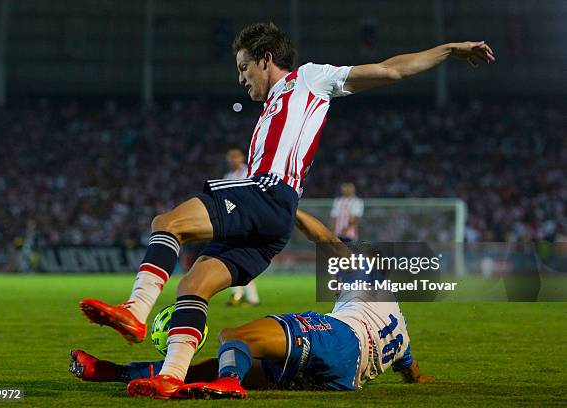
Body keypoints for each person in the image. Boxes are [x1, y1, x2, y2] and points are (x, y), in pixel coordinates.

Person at [78, 21, 494, 398]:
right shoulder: (271, 109)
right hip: (273, 221)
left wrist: (450, 49)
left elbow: (390, 69)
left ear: (266, 59)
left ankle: (135, 311)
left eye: (244, 68)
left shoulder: (310, 78)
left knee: (166, 223)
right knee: (192, 287)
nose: (241, 79)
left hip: (267, 194)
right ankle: (170, 377)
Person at [69, 209, 434, 399]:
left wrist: (284, 211)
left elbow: (325, 237)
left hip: (341, 341)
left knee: (235, 336)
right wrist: (423, 380)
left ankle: (230, 385)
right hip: (341, 380)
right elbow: (412, 370)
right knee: (209, 367)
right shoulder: (399, 327)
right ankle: (113, 372)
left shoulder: (365, 278)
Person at [224, 147, 261, 306]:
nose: (233, 160)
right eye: (230, 157)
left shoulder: (250, 171)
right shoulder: (228, 177)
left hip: (248, 220)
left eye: (236, 156)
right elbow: (225, 199)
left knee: (244, 258)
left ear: (241, 157)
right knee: (233, 257)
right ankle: (238, 295)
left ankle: (251, 297)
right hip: (234, 221)